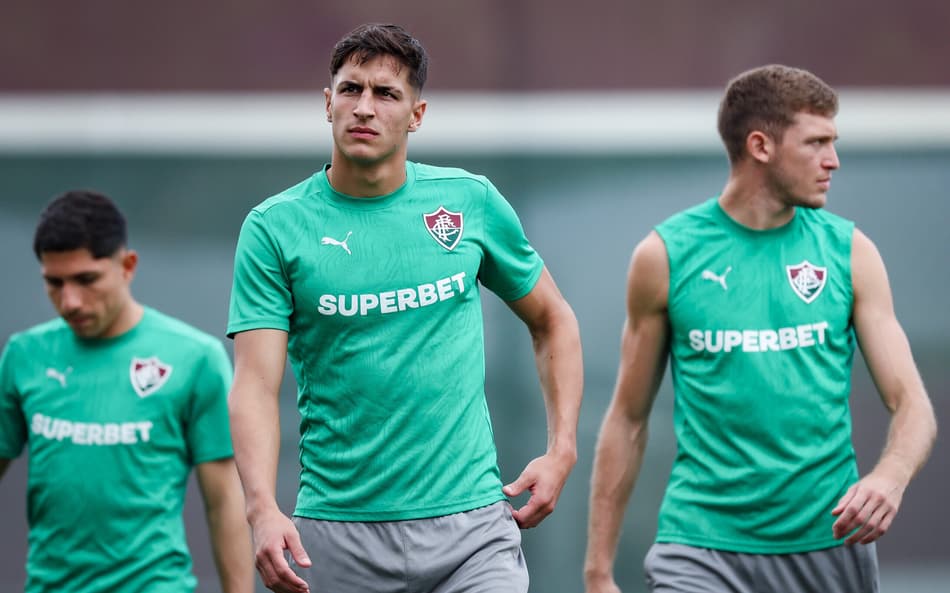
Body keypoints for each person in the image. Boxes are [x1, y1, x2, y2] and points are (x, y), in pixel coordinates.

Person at [227, 23, 583, 593]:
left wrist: (562, 449)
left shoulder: (470, 202)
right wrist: (262, 508)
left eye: (386, 94)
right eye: (351, 89)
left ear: (416, 115)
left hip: (473, 532)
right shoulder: (274, 228)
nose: (364, 107)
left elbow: (553, 319)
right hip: (338, 536)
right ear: (327, 103)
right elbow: (253, 385)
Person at [584, 65, 938, 593]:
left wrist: (890, 475)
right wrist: (598, 570)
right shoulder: (665, 256)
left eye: (833, 142)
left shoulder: (850, 252)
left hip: (828, 542)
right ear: (761, 146)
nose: (832, 161)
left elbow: (913, 405)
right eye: (816, 142)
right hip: (700, 547)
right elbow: (627, 421)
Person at [0, 190, 254, 593]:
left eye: (86, 280)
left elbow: (224, 500)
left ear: (127, 266)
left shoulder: (196, 358)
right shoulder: (23, 356)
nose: (70, 301)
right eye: (54, 283)